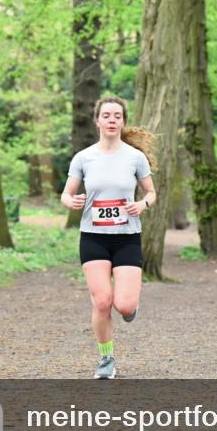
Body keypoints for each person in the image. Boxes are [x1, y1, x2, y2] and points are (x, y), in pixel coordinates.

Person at [61, 96, 156, 379]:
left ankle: (131, 305)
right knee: (102, 301)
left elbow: (151, 192)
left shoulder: (135, 157)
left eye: (117, 115)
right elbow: (66, 193)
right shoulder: (84, 157)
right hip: (94, 236)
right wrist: (70, 202)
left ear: (123, 121)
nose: (112, 120)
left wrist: (142, 204)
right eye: (107, 115)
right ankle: (106, 359)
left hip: (127, 237)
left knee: (124, 305)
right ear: (98, 120)